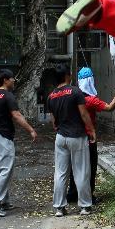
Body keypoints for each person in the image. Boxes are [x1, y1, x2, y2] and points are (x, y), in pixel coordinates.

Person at [0, 68, 37, 217]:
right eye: (12, 78)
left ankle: (4, 201)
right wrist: (31, 130)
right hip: (2, 136)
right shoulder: (8, 96)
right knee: (6, 168)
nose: (14, 81)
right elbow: (16, 115)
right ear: (5, 80)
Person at [46, 63, 96, 217]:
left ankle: (59, 208)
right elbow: (83, 114)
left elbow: (53, 121)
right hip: (77, 136)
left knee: (60, 173)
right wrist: (91, 130)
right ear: (67, 75)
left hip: (60, 138)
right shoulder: (76, 92)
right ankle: (84, 206)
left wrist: (60, 127)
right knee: (81, 171)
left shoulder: (51, 96)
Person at [66, 66, 115, 205]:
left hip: (73, 136)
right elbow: (109, 107)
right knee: (90, 166)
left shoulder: (73, 97)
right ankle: (89, 195)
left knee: (74, 166)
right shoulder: (90, 100)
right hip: (89, 138)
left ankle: (72, 193)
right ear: (91, 81)